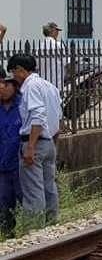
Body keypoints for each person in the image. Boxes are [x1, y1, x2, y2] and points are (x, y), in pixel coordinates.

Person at [6, 54, 62, 228]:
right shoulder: (49, 86)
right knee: (49, 186)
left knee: (33, 190)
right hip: (49, 141)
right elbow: (58, 116)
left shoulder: (30, 87)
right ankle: (52, 224)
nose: (14, 78)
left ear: (20, 70)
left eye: (14, 73)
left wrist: (30, 146)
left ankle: (34, 229)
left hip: (34, 142)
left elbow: (37, 116)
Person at [0, 77, 21, 237]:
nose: (2, 88)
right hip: (3, 164)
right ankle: (7, 233)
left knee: (24, 199)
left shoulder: (23, 105)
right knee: (4, 202)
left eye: (6, 84)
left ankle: (30, 229)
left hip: (21, 163)